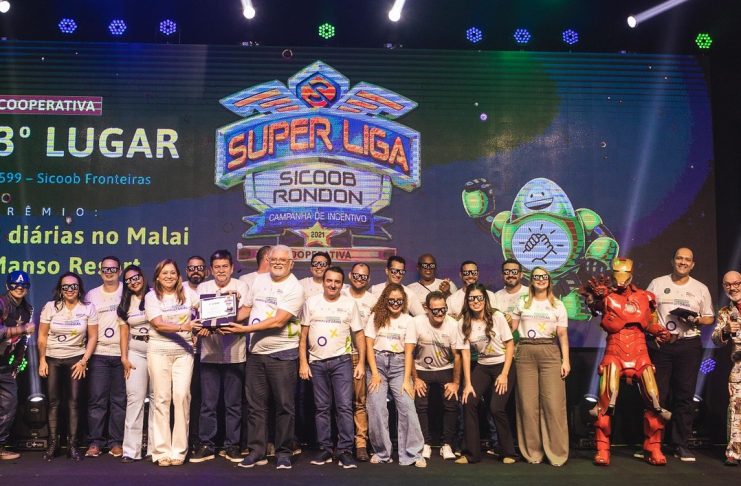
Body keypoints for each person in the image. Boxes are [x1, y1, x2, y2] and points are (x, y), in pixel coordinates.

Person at [581, 258, 672, 466]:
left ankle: (653, 448)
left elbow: (650, 323)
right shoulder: (606, 296)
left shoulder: (645, 297)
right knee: (607, 398)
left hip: (640, 351)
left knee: (654, 398)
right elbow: (594, 307)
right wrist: (595, 299)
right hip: (615, 349)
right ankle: (602, 449)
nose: (621, 278)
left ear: (631, 274)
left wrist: (660, 331)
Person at [227, 245, 304, 470]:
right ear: (268, 260)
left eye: (283, 260)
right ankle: (257, 451)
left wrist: (244, 330)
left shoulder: (295, 287)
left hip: (283, 355)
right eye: (274, 259)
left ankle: (283, 452)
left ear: (291, 263)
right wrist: (221, 319)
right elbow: (246, 309)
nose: (277, 263)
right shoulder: (259, 281)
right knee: (255, 406)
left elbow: (278, 321)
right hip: (256, 354)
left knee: (284, 407)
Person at [647, 247, 714, 462]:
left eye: (687, 260)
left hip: (688, 345)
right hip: (662, 345)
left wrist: (696, 319)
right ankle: (652, 443)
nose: (683, 262)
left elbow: (709, 317)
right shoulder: (657, 283)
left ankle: (680, 445)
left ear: (692, 265)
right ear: (672, 261)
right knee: (657, 395)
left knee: (684, 396)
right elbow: (646, 312)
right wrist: (654, 332)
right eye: (679, 258)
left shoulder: (700, 288)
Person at [299, 266, 364, 469]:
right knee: (322, 408)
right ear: (323, 282)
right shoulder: (311, 302)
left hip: (342, 361)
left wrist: (361, 362)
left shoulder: (349, 304)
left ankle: (345, 451)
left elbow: (359, 334)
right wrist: (303, 362)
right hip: (316, 363)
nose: (333, 285)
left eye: (337, 281)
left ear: (342, 284)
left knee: (344, 407)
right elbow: (303, 336)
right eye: (329, 281)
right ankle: (325, 448)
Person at [190, 250, 250, 464]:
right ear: (211, 270)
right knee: (208, 404)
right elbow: (197, 314)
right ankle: (207, 445)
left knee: (233, 404)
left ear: (231, 268)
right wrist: (204, 326)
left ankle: (232, 446)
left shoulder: (241, 286)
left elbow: (247, 310)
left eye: (225, 266)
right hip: (209, 353)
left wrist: (227, 320)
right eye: (217, 267)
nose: (221, 271)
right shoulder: (203, 288)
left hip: (234, 353)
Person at [511, 266, 570, 466]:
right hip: (525, 352)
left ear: (549, 280)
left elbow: (562, 334)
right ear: (531, 280)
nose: (540, 279)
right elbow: (511, 328)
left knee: (553, 405)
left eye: (544, 276)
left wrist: (566, 360)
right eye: (536, 276)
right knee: (527, 406)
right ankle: (532, 453)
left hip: (550, 352)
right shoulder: (522, 302)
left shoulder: (557, 305)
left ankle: (556, 453)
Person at [38, 272, 98, 461]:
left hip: (76, 359)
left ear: (79, 289)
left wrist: (84, 360)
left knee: (74, 402)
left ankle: (72, 446)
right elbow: (42, 336)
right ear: (60, 289)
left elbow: (93, 337)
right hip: (52, 358)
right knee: (53, 402)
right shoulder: (50, 307)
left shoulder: (88, 308)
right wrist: (42, 360)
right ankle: (53, 444)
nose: (70, 290)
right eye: (66, 287)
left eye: (73, 286)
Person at [144, 259, 199, 467]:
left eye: (172, 273)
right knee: (161, 399)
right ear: (158, 277)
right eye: (165, 273)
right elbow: (158, 324)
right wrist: (185, 327)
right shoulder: (151, 297)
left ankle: (179, 450)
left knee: (182, 397)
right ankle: (161, 451)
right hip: (159, 351)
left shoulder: (188, 293)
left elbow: (207, 308)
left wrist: (228, 300)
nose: (169, 276)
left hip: (184, 352)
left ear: (178, 276)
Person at [365, 283, 426, 467]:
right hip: (378, 365)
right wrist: (374, 373)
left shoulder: (409, 321)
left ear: (404, 301)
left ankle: (413, 454)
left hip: (400, 366)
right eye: (391, 300)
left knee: (407, 406)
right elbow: (369, 346)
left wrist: (407, 380)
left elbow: (409, 352)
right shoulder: (375, 317)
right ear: (385, 300)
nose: (395, 304)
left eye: (399, 300)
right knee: (376, 407)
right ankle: (382, 453)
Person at [456, 284, 516, 465]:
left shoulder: (497, 317)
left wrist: (504, 374)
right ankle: (471, 454)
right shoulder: (463, 322)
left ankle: (508, 453)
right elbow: (465, 354)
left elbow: (510, 345)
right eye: (472, 298)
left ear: (485, 299)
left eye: (479, 298)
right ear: (467, 301)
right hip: (483, 366)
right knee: (468, 401)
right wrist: (467, 384)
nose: (476, 302)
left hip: (503, 365)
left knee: (496, 408)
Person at [404, 291, 461, 461]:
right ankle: (425, 444)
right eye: (435, 310)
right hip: (421, 369)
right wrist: (415, 379)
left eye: (443, 309)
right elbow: (409, 352)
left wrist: (456, 383)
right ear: (427, 309)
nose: (440, 313)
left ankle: (447, 444)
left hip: (445, 368)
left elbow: (457, 356)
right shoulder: (416, 322)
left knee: (451, 403)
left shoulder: (453, 324)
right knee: (420, 405)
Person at [85, 256, 126, 458]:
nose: (109, 272)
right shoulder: (92, 295)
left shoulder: (127, 291)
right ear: (100, 272)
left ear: (120, 271)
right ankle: (95, 442)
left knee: (119, 401)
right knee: (97, 400)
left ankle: (116, 442)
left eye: (113, 269)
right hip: (99, 354)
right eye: (105, 269)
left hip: (122, 354)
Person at [117, 264, 154, 463]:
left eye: (136, 277)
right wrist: (124, 357)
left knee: (157, 399)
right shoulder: (125, 304)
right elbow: (124, 333)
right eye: (129, 280)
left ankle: (155, 449)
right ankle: (131, 450)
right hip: (135, 352)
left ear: (143, 276)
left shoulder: (155, 296)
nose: (134, 282)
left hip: (157, 350)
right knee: (135, 399)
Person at [342, 262, 377, 462]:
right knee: (340, 402)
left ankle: (361, 443)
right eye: (356, 275)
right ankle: (342, 443)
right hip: (339, 355)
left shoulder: (373, 301)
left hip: (360, 356)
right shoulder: (340, 295)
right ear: (350, 275)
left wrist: (364, 360)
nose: (359, 279)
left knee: (360, 402)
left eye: (363, 276)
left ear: (368, 279)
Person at [0, 271, 35, 460]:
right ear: (8, 286)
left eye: (23, 285)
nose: (19, 288)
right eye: (15, 284)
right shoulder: (1, 304)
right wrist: (21, 329)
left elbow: (24, 339)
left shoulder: (27, 309)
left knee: (9, 406)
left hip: (5, 365)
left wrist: (18, 362)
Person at [711, 270, 741, 466]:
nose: (733, 288)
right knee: (736, 408)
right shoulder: (725, 312)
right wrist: (725, 330)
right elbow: (716, 339)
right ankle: (734, 452)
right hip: (739, 365)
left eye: (737, 283)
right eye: (728, 284)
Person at [491, 259, 529, 333]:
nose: (510, 275)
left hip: (526, 338)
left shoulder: (530, 293)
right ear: (502, 275)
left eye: (514, 272)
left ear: (521, 275)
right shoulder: (495, 296)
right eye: (507, 272)